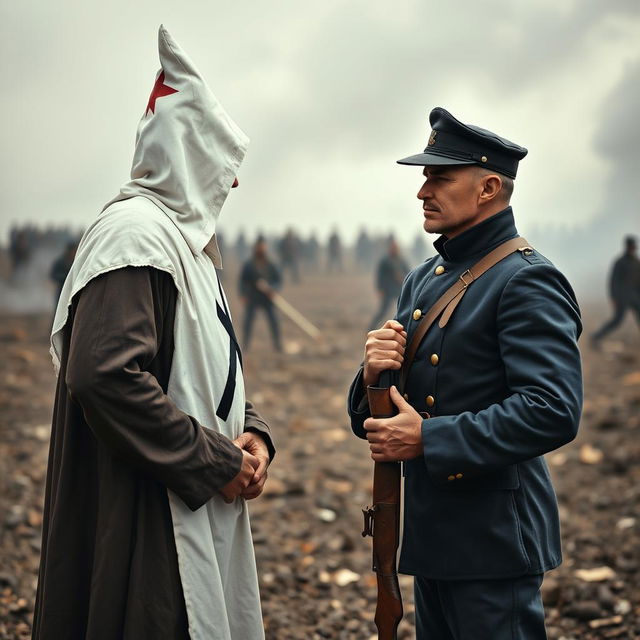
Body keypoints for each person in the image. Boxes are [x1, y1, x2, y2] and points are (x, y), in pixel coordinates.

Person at [34, 26, 274, 640]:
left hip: (192, 483)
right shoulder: (135, 236)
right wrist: (212, 459)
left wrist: (252, 431)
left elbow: (208, 364)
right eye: (223, 167)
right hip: (145, 503)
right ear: (190, 157)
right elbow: (105, 374)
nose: (234, 184)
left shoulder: (185, 244)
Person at [347, 107, 582, 640]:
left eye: (439, 176)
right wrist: (370, 375)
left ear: (489, 188)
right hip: (433, 539)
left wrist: (429, 437)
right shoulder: (422, 280)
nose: (422, 191)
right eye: (424, 176)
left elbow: (552, 411)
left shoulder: (527, 280)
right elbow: (382, 412)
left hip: (494, 540)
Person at [591, 235, 640, 344]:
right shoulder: (620, 262)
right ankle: (596, 337)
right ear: (627, 247)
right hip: (622, 297)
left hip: (635, 297)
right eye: (631, 246)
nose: (632, 248)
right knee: (616, 321)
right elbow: (613, 281)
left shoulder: (637, 262)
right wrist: (613, 297)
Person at [239, 236, 283, 352]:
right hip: (253, 296)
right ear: (255, 248)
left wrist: (272, 289)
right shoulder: (249, 265)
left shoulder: (271, 264)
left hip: (267, 298)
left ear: (265, 247)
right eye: (259, 247)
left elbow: (278, 280)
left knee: (274, 322)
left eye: (262, 246)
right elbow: (243, 281)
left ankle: (278, 346)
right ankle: (245, 346)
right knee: (248, 322)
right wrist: (243, 295)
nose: (260, 249)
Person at [369, 235, 410, 330]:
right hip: (387, 290)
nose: (395, 249)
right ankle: (371, 327)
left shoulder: (401, 260)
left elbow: (409, 273)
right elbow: (379, 276)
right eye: (393, 248)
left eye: (396, 248)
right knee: (383, 310)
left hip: (399, 290)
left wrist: (402, 277)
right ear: (389, 249)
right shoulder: (385, 261)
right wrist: (380, 289)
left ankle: (401, 329)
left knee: (402, 310)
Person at [49, 241, 77, 306]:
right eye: (73, 251)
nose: (74, 253)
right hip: (62, 289)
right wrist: (65, 277)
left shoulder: (75, 261)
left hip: (73, 290)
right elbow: (53, 275)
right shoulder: (60, 262)